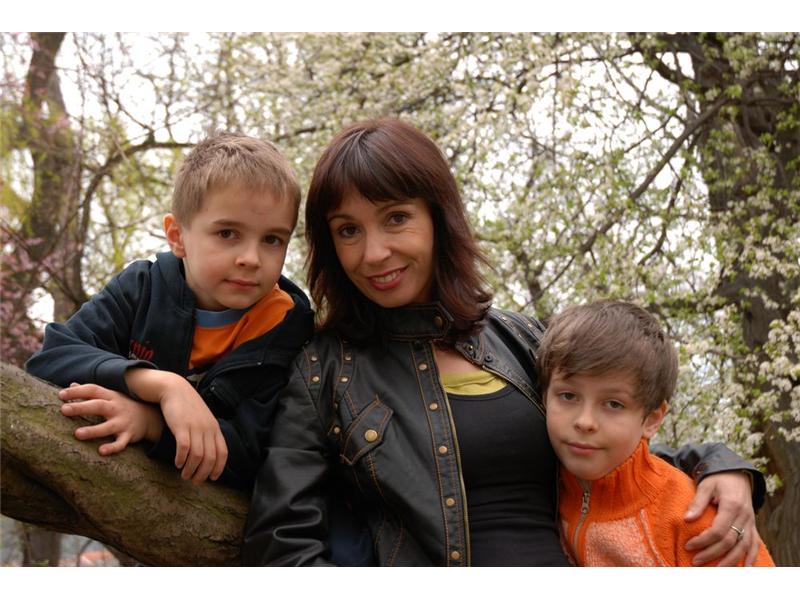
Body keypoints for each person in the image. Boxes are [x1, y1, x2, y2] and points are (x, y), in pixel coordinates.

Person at [242, 117, 767, 566]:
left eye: (396, 218)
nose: (373, 253)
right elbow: (282, 543)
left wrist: (720, 464)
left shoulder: (523, 339)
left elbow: (614, 444)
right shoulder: (324, 370)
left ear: (438, 218)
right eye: (348, 230)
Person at [25, 132, 313, 489]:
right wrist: (162, 386)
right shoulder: (142, 288)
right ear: (177, 236)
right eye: (227, 233)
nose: (251, 259)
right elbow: (51, 358)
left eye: (272, 239)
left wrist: (152, 423)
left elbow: (256, 455)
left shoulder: (286, 330)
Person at [538, 300, 774, 566]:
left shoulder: (695, 518)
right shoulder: (541, 484)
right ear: (544, 397)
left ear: (652, 419)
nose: (585, 422)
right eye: (568, 396)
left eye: (613, 404)